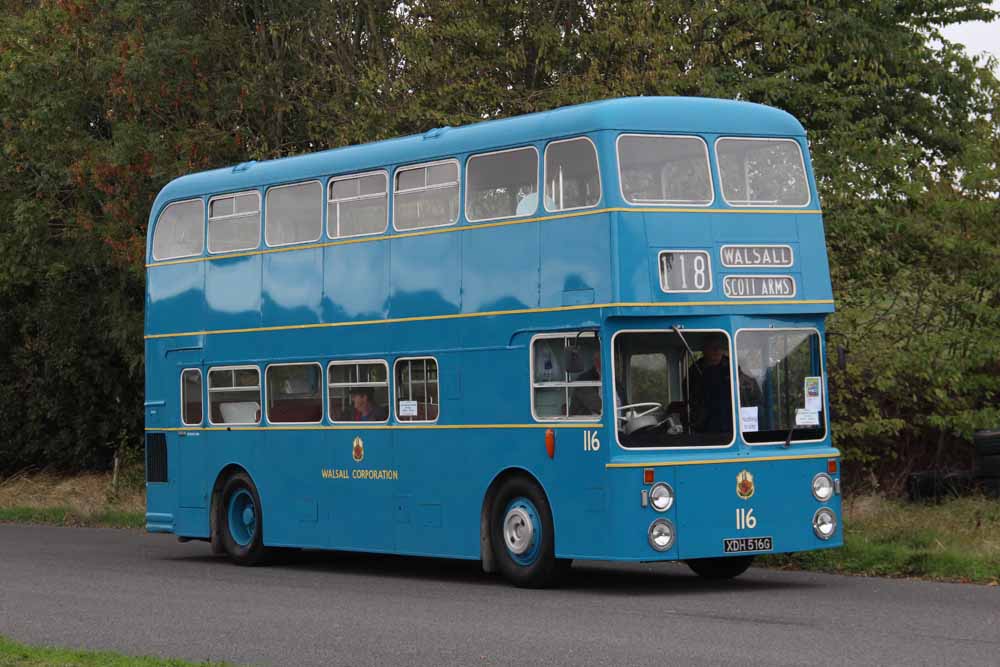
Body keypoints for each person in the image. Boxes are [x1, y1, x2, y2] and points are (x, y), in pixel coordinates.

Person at [687, 335, 734, 433]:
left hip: (731, 421)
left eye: (719, 347)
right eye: (712, 347)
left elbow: (748, 387)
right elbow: (689, 396)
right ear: (704, 350)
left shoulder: (733, 366)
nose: (717, 350)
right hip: (706, 423)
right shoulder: (694, 371)